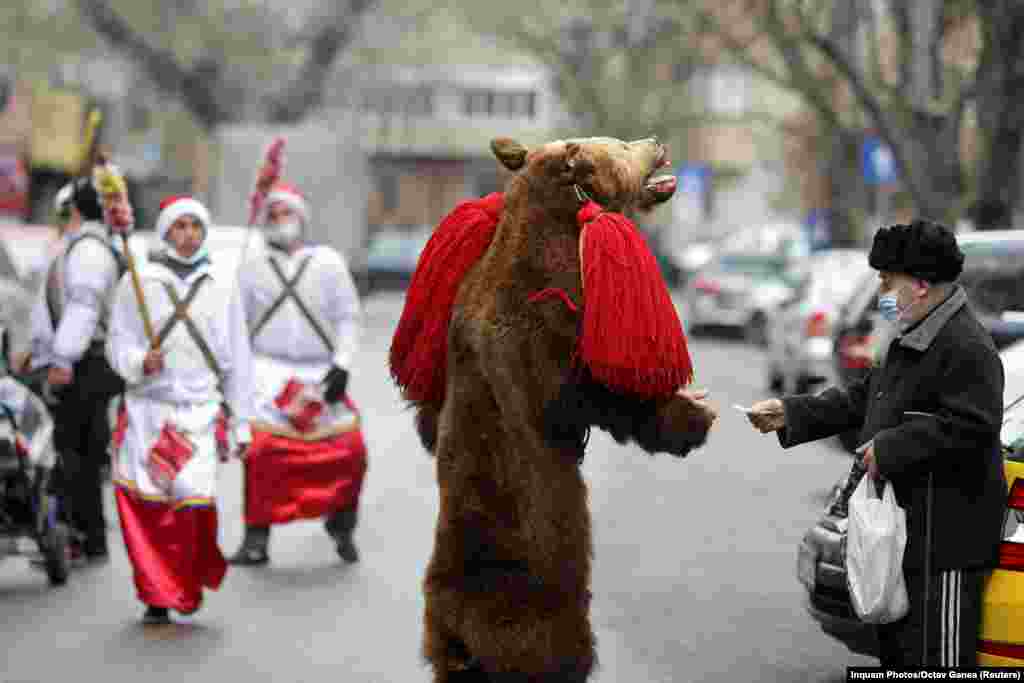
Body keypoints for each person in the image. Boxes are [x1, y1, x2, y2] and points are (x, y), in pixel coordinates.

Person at [745, 219, 1006, 667]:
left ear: (921, 285)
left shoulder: (966, 347)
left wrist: (891, 447)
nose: (881, 290)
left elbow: (971, 426)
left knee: (936, 664)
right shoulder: (911, 336)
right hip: (902, 543)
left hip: (944, 552)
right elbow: (863, 398)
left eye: (887, 280)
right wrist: (791, 413)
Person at [106, 195, 253, 625]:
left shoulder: (222, 286)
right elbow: (118, 343)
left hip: (199, 415)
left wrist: (242, 422)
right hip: (147, 412)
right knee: (149, 506)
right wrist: (139, 362)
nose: (188, 234)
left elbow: (238, 361)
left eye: (195, 225)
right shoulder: (139, 282)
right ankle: (155, 591)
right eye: (179, 226)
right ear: (165, 231)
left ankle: (184, 582)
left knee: (193, 501)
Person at [228, 181, 367, 566]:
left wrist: (341, 365)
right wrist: (236, 379)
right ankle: (257, 537)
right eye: (271, 215)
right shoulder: (250, 267)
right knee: (261, 453)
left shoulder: (329, 262)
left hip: (320, 374)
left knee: (349, 450)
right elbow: (236, 328)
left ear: (301, 218)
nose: (279, 220)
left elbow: (348, 318)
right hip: (266, 375)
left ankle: (341, 524)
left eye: (285, 213)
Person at [42, 170, 130, 562]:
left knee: (75, 451)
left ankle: (83, 534)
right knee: (84, 451)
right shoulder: (89, 246)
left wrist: (62, 358)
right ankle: (88, 536)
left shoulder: (89, 250)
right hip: (89, 360)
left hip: (86, 362)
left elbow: (83, 307)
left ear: (72, 211)